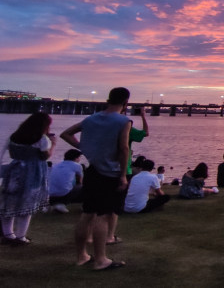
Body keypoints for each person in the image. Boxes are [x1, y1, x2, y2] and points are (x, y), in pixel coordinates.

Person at [60, 87, 131, 270]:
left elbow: (65, 134)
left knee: (87, 213)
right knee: (103, 215)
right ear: (126, 102)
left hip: (92, 171)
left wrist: (83, 147)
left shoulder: (91, 119)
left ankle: (81, 256)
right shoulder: (123, 121)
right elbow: (124, 149)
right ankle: (101, 260)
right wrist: (123, 175)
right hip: (110, 173)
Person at [0, 113, 55, 245]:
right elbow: (45, 157)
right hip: (34, 172)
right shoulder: (42, 139)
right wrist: (52, 144)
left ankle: (8, 234)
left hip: (14, 171)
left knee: (9, 203)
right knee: (28, 204)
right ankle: (21, 236)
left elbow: (10, 154)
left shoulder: (14, 136)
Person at [48, 149, 84, 213]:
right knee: (85, 187)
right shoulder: (77, 165)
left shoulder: (56, 165)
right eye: (79, 158)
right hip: (63, 195)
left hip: (50, 196)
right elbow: (80, 181)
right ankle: (85, 205)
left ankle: (58, 204)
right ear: (76, 158)